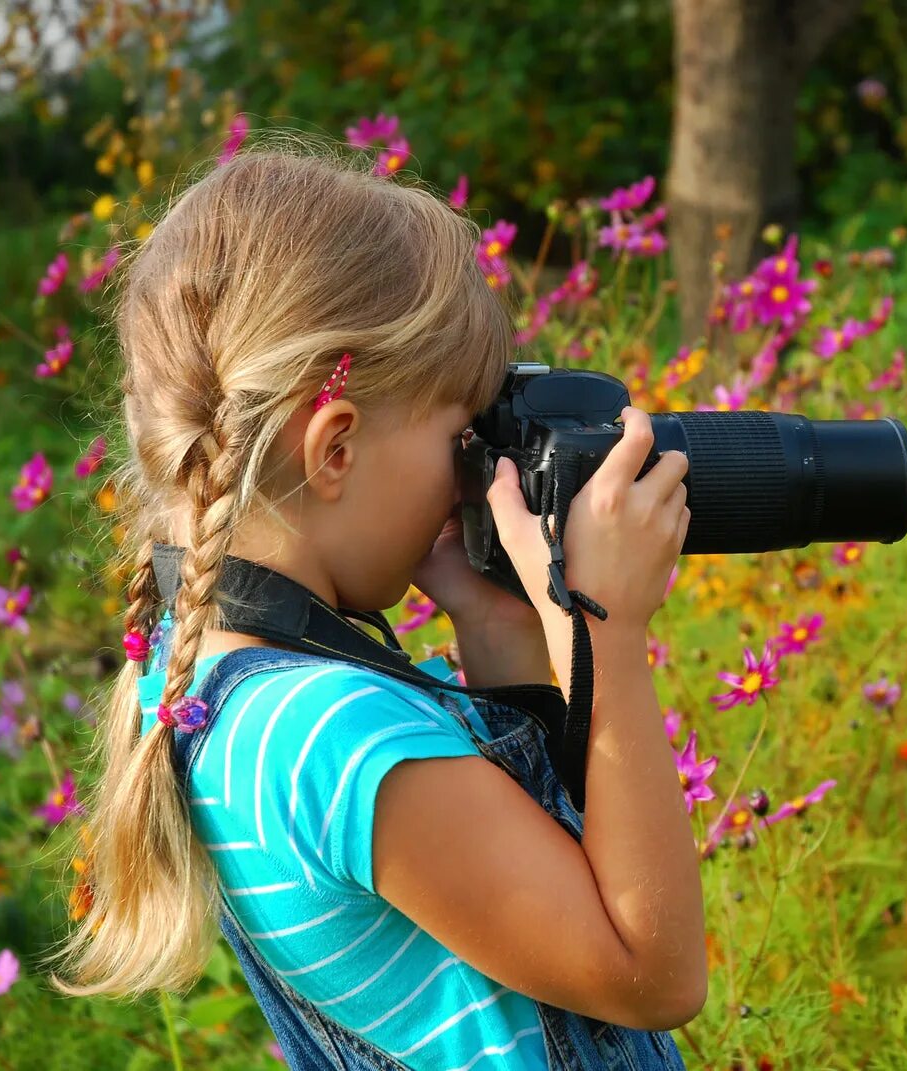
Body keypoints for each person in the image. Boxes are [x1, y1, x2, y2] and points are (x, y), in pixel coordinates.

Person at [45, 138, 704, 1071]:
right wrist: (607, 630)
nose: (474, 474)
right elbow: (655, 974)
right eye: (458, 435)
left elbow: (529, 901)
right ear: (337, 448)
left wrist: (499, 628)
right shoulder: (341, 735)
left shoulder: (215, 688)